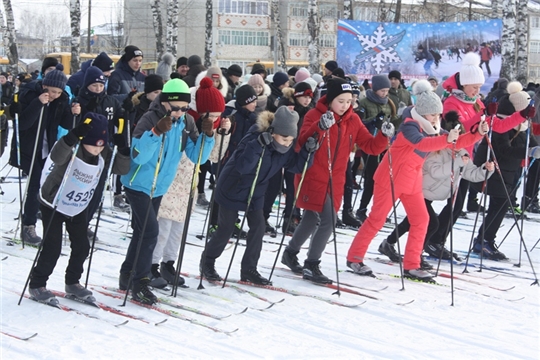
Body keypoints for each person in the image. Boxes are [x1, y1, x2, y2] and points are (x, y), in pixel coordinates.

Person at [346, 80, 488, 282]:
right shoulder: (409, 127)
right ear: (422, 113)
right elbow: (423, 143)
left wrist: (477, 133)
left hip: (412, 180)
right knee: (376, 220)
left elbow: (456, 142)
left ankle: (412, 264)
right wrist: (447, 140)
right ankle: (354, 258)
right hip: (391, 178)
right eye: (433, 115)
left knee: (421, 220)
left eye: (438, 115)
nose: (436, 119)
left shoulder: (432, 129)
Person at [281, 78, 389, 284]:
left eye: (349, 101)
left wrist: (383, 136)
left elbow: (370, 146)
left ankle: (290, 252)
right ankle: (312, 264)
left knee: (311, 218)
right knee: (328, 221)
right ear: (330, 99)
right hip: (314, 176)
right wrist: (320, 127)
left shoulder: (353, 120)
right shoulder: (314, 115)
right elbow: (302, 142)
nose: (345, 105)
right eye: (341, 100)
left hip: (335, 179)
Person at [118, 78, 215, 305]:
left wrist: (207, 136)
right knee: (150, 232)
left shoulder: (187, 123)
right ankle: (140, 282)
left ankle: (127, 275)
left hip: (159, 187)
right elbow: (139, 156)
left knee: (142, 232)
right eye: (177, 107)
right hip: (138, 184)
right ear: (165, 102)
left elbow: (197, 157)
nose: (180, 112)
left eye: (185, 108)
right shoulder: (149, 118)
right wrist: (156, 132)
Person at [201, 106, 316, 285]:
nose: (287, 143)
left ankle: (249, 268)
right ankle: (207, 261)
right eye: (284, 138)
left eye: (291, 140)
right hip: (233, 186)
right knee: (226, 227)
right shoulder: (255, 137)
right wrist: (258, 146)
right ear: (273, 131)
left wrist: (308, 152)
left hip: (255, 191)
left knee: (258, 228)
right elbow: (243, 166)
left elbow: (296, 166)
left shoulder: (284, 149)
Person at [28, 112, 130, 305]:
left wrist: (123, 149)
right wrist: (71, 137)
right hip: (54, 201)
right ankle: (37, 283)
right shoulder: (74, 147)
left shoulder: (104, 152)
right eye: (94, 144)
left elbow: (120, 169)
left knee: (82, 245)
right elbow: (57, 157)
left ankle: (73, 282)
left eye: (102, 144)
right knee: (52, 248)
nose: (98, 149)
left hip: (77, 204)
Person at [379, 112, 494, 265]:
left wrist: (486, 170)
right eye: (455, 137)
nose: (458, 142)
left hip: (435, 192)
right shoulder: (436, 150)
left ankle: (390, 243)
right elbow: (436, 172)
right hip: (421, 190)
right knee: (431, 223)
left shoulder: (461, 152)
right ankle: (414, 254)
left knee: (412, 221)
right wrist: (458, 162)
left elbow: (472, 174)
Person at [151, 77, 230, 286]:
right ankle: (151, 265)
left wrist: (220, 134)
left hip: (188, 184)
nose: (215, 118)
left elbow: (213, 156)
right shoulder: (185, 121)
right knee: (163, 228)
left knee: (178, 229)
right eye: (211, 115)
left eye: (218, 115)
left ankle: (168, 263)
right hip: (171, 180)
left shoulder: (205, 125)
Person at [470, 88, 538, 260]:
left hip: (508, 171)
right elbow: (503, 150)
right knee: (499, 204)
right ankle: (484, 240)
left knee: (499, 205)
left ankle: (485, 239)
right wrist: (529, 151)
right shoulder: (500, 123)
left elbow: (528, 141)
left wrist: (534, 149)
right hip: (494, 168)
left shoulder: (520, 124)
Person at [18, 64, 79, 245]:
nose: (54, 95)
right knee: (35, 184)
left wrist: (73, 112)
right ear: (44, 86)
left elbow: (67, 124)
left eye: (58, 92)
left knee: (46, 184)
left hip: (47, 147)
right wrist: (38, 103)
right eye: (51, 91)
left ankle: (40, 218)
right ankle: (28, 225)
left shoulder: (61, 100)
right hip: (30, 147)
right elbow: (23, 124)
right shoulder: (29, 94)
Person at [107, 45, 146, 210]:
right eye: (134, 60)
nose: (137, 64)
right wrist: (128, 98)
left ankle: (129, 190)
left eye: (140, 61)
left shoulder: (142, 77)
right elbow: (110, 97)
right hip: (122, 119)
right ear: (127, 60)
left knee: (134, 155)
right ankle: (117, 192)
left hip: (138, 120)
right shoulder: (117, 75)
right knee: (121, 154)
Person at [355, 74, 397, 224]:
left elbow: (393, 119)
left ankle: (379, 210)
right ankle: (362, 209)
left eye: (387, 90)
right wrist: (373, 121)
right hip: (369, 144)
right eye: (382, 91)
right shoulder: (365, 101)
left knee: (383, 179)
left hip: (384, 143)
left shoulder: (388, 102)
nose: (385, 93)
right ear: (374, 89)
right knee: (372, 178)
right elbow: (359, 124)